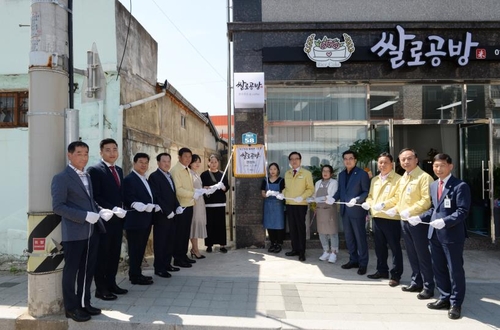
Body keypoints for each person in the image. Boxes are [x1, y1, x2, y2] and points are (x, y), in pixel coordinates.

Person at [51, 141, 109, 322]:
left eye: (86, 154)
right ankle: (71, 308)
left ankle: (85, 303)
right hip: (74, 232)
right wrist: (84, 216)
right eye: (79, 153)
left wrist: (101, 211)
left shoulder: (87, 176)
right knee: (72, 270)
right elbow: (58, 207)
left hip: (92, 231)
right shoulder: (61, 178)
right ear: (70, 155)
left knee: (87, 270)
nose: (83, 157)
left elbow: (90, 202)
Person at [409, 154, 471, 320]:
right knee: (438, 267)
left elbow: (462, 212)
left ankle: (456, 303)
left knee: (455, 269)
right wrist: (420, 217)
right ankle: (444, 297)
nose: (438, 169)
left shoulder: (460, 186)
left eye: (442, 165)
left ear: (450, 166)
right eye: (435, 166)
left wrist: (445, 221)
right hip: (434, 233)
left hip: (451, 234)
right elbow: (434, 209)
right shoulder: (434, 184)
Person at [377, 148, 434, 299]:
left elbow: (426, 200)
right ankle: (417, 281)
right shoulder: (404, 177)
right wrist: (394, 208)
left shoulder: (424, 177)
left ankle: (428, 286)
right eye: (403, 159)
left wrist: (410, 211)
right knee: (411, 253)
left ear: (416, 159)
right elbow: (399, 199)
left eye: (409, 158)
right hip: (405, 221)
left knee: (422, 254)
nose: (406, 162)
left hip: (418, 221)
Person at [87, 138, 128, 301]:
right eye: (108, 150)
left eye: (114, 149)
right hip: (104, 220)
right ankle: (101, 288)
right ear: (101, 152)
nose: (112, 153)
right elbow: (95, 196)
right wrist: (111, 208)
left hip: (118, 220)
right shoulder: (95, 170)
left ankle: (112, 284)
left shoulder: (118, 170)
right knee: (102, 255)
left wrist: (122, 208)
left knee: (114, 254)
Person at [362, 152, 403, 287]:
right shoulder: (375, 180)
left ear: (392, 164)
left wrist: (385, 204)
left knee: (395, 248)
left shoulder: (398, 179)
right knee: (379, 247)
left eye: (385, 162)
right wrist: (368, 202)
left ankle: (396, 275)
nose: (382, 165)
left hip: (391, 218)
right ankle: (382, 270)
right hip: (377, 217)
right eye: (380, 162)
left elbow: (398, 197)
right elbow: (370, 196)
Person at [331, 150, 370, 275]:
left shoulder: (362, 174)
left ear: (355, 160)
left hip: (357, 211)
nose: (348, 161)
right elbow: (340, 191)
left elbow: (365, 191)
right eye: (345, 158)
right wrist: (333, 198)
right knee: (349, 238)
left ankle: (363, 263)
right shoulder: (341, 174)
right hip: (345, 211)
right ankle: (353, 260)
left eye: (350, 158)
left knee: (360, 238)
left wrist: (357, 199)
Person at [123, 153, 156, 285]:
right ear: (134, 163)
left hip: (145, 220)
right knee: (135, 249)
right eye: (141, 162)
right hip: (135, 221)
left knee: (140, 248)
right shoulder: (129, 179)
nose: (143, 165)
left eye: (146, 163)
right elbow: (128, 197)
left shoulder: (144, 179)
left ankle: (138, 273)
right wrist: (138, 205)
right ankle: (134, 276)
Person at [148, 153, 182, 278]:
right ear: (158, 162)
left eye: (168, 161)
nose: (166, 164)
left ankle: (167, 264)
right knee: (161, 242)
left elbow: (173, 194)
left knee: (170, 241)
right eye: (164, 161)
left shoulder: (169, 175)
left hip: (172, 215)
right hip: (162, 216)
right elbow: (156, 196)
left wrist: (177, 206)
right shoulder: (154, 177)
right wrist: (167, 211)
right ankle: (159, 268)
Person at [279, 152, 314, 262]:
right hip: (290, 204)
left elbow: (310, 189)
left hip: (300, 205)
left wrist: (302, 197)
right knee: (292, 228)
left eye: (296, 159)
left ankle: (302, 251)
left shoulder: (306, 173)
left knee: (300, 228)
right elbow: (286, 188)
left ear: (300, 160)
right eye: (292, 159)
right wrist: (282, 193)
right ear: (289, 161)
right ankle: (295, 249)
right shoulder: (287, 173)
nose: (294, 161)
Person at [170, 147, 197, 266]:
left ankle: (183, 255)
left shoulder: (187, 169)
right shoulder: (176, 170)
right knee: (179, 233)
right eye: (185, 156)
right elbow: (178, 190)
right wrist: (193, 194)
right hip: (181, 207)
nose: (188, 159)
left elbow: (189, 187)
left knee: (185, 233)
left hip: (189, 204)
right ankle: (177, 258)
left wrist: (198, 191)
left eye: (190, 157)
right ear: (179, 157)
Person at [201, 154, 229, 253]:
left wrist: (222, 187)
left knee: (221, 225)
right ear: (208, 163)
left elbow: (226, 188)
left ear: (218, 163)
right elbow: (202, 187)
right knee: (209, 225)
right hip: (209, 204)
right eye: (211, 162)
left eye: (215, 162)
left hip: (220, 203)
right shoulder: (204, 175)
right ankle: (209, 245)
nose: (213, 164)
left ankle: (222, 245)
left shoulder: (222, 174)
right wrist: (211, 187)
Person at [313, 165, 339, 263]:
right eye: (324, 171)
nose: (325, 173)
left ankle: (333, 252)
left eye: (328, 171)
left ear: (331, 173)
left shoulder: (334, 182)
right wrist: (313, 201)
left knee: (332, 232)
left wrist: (320, 198)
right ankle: (326, 251)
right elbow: (315, 195)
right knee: (322, 231)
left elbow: (331, 196)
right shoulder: (318, 183)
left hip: (329, 209)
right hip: (319, 210)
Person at [261, 162, 285, 253]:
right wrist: (266, 194)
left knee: (278, 224)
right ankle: (272, 243)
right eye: (271, 169)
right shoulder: (265, 180)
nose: (272, 171)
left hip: (278, 205)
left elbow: (284, 192)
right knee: (269, 224)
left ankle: (279, 243)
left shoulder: (281, 180)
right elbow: (262, 193)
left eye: (274, 169)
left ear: (278, 170)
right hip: (268, 205)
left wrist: (278, 194)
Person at [189, 154, 208, 259]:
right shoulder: (189, 174)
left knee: (197, 224)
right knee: (193, 225)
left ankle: (195, 248)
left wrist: (205, 188)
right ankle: (195, 249)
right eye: (195, 161)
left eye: (199, 162)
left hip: (200, 201)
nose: (197, 164)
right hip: (194, 202)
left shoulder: (196, 174)